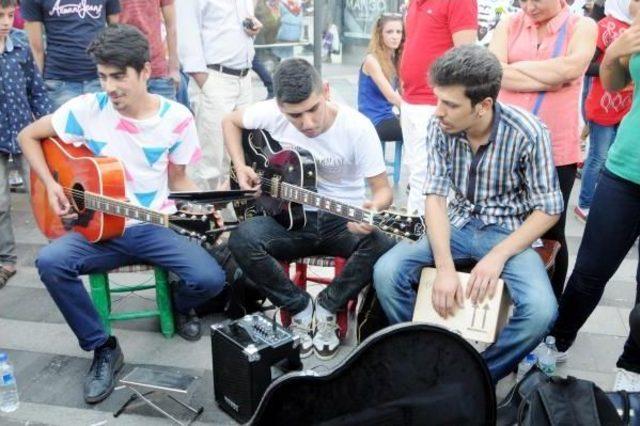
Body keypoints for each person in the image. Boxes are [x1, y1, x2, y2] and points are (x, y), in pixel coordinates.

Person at [17, 25, 226, 403]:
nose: (110, 87)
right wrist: (50, 185)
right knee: (50, 262)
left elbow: (178, 180)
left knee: (210, 279)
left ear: (144, 71)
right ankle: (103, 347)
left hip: (155, 226)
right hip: (99, 229)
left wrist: (202, 206)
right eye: (102, 76)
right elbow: (28, 136)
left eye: (118, 76)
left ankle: (179, 303)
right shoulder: (86, 110)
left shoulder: (176, 118)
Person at [373, 45, 563, 383]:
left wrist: (498, 256)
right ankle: (423, 355)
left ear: (483, 105)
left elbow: (549, 208)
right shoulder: (440, 127)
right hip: (455, 222)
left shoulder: (528, 132)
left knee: (541, 312)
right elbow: (434, 195)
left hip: (508, 231)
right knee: (386, 272)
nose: (438, 112)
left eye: (450, 104)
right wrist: (444, 266)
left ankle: (474, 377)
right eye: (438, 100)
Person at [224, 58, 395, 360]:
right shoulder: (270, 113)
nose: (307, 123)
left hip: (343, 219)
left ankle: (329, 305)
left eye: (313, 109)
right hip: (289, 220)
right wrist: (241, 167)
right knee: (241, 239)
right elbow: (229, 121)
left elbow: (383, 191)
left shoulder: (358, 127)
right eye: (295, 116)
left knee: (384, 242)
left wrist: (371, 210)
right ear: (279, 107)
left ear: (326, 91)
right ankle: (300, 307)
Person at [549, 6, 640, 388]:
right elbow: (615, 83)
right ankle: (556, 342)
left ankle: (632, 367)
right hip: (624, 169)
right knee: (589, 272)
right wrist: (618, 51)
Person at [489, 0, 597, 300]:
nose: (529, 6)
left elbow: (573, 67)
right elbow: (494, 72)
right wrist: (551, 78)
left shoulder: (582, 25)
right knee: (502, 226)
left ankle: (547, 312)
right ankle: (504, 304)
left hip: (556, 150)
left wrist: (515, 71)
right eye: (524, 0)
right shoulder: (509, 23)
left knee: (551, 233)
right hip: (505, 144)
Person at [399, 0, 477, 215]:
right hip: (410, 100)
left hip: (435, 104)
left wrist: (451, 104)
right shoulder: (414, 3)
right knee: (415, 171)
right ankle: (415, 229)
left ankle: (421, 233)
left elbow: (465, 56)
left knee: (428, 176)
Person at [177, 0, 262, 190]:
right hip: (214, 77)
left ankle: (231, 213)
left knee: (238, 155)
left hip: (244, 77)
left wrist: (251, 27)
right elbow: (187, 34)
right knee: (210, 158)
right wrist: (202, 79)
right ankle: (205, 213)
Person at [0, 0, 51, 289]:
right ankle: (6, 260)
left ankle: (57, 251)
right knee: (0, 202)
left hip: (25, 133)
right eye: (0, 16)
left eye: (9, 15)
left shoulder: (20, 45)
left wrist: (49, 126)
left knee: (42, 194)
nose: (6, 21)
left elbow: (37, 90)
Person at [576, 0, 636, 222]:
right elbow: (585, 66)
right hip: (603, 104)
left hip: (627, 109)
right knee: (598, 156)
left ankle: (603, 203)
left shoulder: (634, 28)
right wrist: (611, 63)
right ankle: (585, 204)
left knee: (610, 158)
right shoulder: (605, 26)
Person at [21, 0, 120, 110]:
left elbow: (116, 38)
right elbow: (36, 49)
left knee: (103, 126)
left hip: (101, 79)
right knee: (62, 127)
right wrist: (36, 90)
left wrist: (116, 78)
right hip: (59, 82)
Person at [357, 12, 404, 144]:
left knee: (421, 123)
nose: (395, 37)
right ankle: (412, 165)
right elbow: (392, 97)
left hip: (387, 116)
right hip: (373, 121)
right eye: (389, 32)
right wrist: (412, 112)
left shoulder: (394, 59)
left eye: (398, 32)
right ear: (380, 34)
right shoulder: (372, 60)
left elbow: (402, 92)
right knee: (419, 128)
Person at [119, 0, 179, 100]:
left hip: (158, 70)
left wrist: (174, 68)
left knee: (167, 114)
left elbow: (171, 25)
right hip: (125, 69)